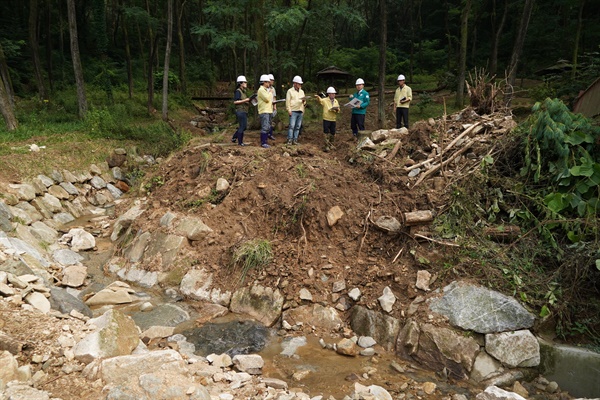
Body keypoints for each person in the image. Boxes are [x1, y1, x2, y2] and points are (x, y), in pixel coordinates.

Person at [314, 86, 340, 152]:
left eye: (334, 93)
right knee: (326, 132)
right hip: (326, 118)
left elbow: (338, 109)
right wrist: (318, 97)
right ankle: (326, 146)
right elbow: (320, 101)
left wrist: (337, 110)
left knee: (333, 132)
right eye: (332, 93)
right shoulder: (325, 100)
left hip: (333, 119)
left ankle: (331, 144)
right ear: (329, 94)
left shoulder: (336, 101)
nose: (333, 95)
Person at [285, 75, 306, 145]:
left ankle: (295, 139)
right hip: (293, 110)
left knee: (298, 126)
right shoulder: (290, 91)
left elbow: (304, 102)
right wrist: (289, 110)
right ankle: (290, 139)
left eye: (300, 84)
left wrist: (304, 101)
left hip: (300, 110)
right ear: (295, 83)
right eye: (299, 84)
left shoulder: (302, 91)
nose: (300, 85)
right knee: (292, 126)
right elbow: (288, 101)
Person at [231, 75, 251, 146]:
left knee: (244, 126)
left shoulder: (243, 92)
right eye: (245, 82)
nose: (246, 83)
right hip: (240, 111)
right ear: (241, 83)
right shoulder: (238, 91)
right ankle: (240, 142)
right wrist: (245, 100)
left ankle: (234, 137)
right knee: (242, 126)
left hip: (244, 110)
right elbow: (235, 102)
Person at [257, 74, 273, 148]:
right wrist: (270, 93)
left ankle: (265, 141)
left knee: (268, 126)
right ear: (264, 82)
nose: (269, 84)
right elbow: (266, 99)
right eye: (267, 82)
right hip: (264, 111)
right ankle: (263, 142)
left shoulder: (266, 90)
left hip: (268, 110)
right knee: (265, 127)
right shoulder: (261, 90)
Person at [268, 74, 277, 140]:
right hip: (266, 107)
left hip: (271, 107)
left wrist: (275, 106)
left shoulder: (273, 88)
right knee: (266, 121)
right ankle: (266, 134)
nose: (272, 81)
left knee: (271, 121)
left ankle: (270, 134)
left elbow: (274, 98)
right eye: (271, 80)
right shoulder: (265, 88)